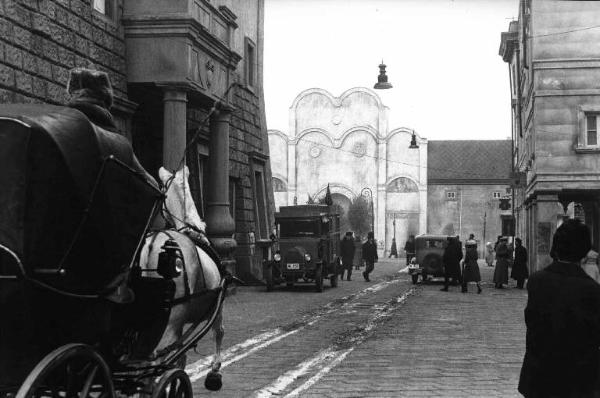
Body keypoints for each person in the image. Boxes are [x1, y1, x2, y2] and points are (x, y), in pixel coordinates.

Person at [518, 219, 600, 398]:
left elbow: (532, 323)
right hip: (577, 380)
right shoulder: (591, 289)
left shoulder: (537, 281)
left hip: (539, 375)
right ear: (584, 250)